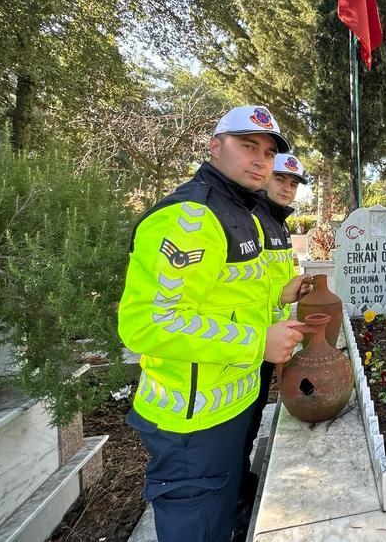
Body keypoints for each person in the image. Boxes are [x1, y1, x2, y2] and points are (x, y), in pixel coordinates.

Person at [118, 105, 311, 542]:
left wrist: (278, 297)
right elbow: (147, 322)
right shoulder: (188, 217)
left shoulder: (241, 212)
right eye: (247, 146)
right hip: (190, 424)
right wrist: (257, 341)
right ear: (214, 147)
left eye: (267, 151)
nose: (260, 159)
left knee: (221, 523)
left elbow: (227, 297)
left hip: (231, 406)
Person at [234, 153, 309, 533]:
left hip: (268, 343)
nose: (286, 187)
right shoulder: (253, 220)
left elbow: (268, 288)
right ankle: (237, 502)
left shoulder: (277, 223)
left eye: (294, 183)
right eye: (281, 178)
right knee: (241, 426)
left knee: (252, 417)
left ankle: (242, 485)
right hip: (245, 344)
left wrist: (286, 294)